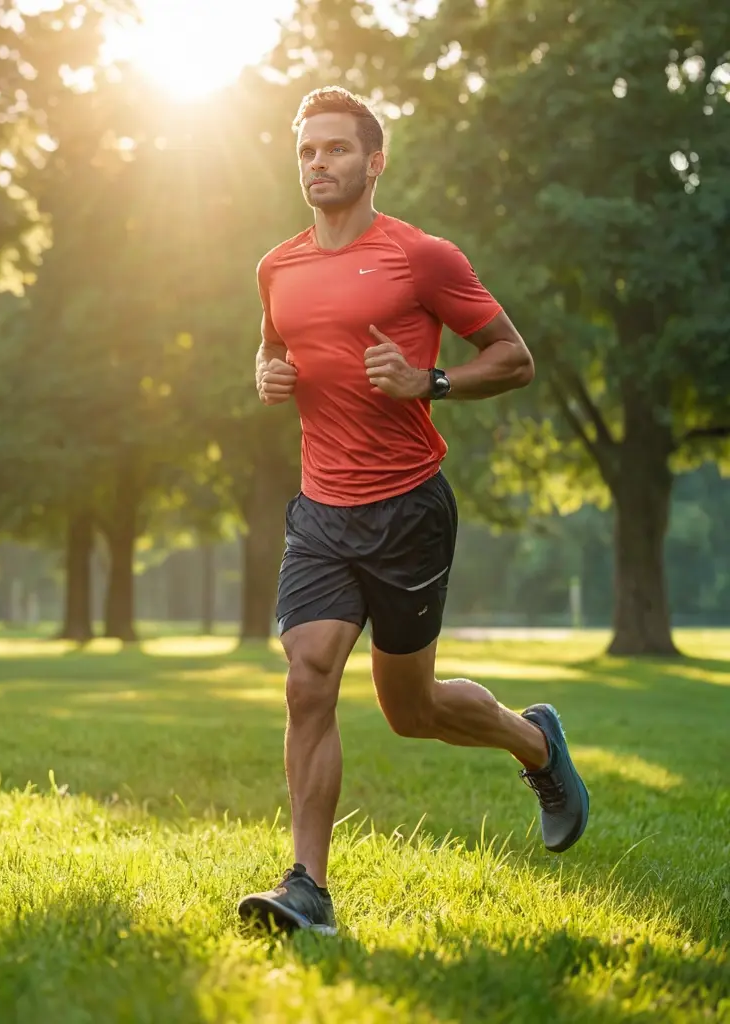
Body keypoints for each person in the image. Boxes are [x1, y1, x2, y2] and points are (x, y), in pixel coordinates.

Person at [236, 86, 589, 937]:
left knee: (411, 709)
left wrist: (430, 381)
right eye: (307, 151)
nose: (318, 164)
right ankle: (307, 887)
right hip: (321, 507)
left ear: (375, 160)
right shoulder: (275, 266)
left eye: (336, 150)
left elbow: (514, 357)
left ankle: (536, 744)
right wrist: (266, 374)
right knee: (308, 675)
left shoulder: (423, 258)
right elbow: (273, 343)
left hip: (407, 510)